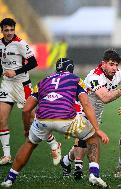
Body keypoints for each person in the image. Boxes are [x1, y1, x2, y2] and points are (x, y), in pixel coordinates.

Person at [0, 58, 110, 188]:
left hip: (42, 120)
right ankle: (94, 175)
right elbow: (86, 103)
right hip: (66, 119)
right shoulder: (75, 79)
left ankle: (9, 179)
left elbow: (26, 109)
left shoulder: (43, 81)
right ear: (71, 69)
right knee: (92, 137)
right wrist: (97, 128)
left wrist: (26, 129)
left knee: (29, 143)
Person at [60, 49, 121, 180]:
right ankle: (79, 168)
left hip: (96, 113)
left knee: (87, 140)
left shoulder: (120, 74)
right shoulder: (95, 76)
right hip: (81, 107)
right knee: (85, 136)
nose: (114, 68)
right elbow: (105, 97)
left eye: (116, 65)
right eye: (111, 64)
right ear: (103, 63)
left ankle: (66, 161)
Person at [0, 18, 61, 166]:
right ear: (2, 30)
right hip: (6, 85)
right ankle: (7, 155)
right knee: (1, 119)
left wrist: (16, 72)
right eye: (6, 30)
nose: (9, 33)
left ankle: (54, 144)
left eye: (11, 30)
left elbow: (34, 62)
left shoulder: (21, 44)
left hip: (22, 85)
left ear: (14, 29)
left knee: (35, 118)